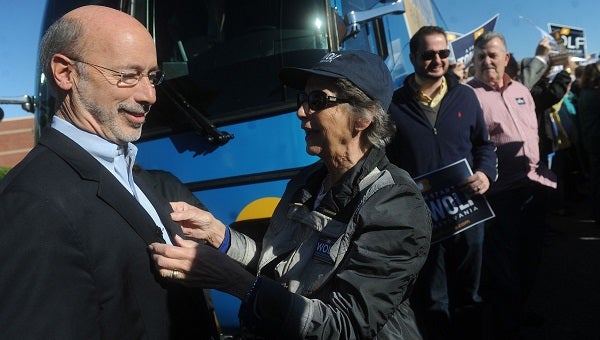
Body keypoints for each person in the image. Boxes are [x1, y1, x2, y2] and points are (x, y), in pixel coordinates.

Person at [149, 50, 433, 339]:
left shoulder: (395, 203)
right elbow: (279, 264)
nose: (300, 112)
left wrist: (234, 282)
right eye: (303, 99)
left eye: (317, 101)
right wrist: (218, 235)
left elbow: (344, 326)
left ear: (364, 117)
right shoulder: (306, 181)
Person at [0, 6, 217, 339]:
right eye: (127, 75)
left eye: (152, 76)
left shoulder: (134, 173)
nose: (149, 96)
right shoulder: (31, 204)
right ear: (65, 73)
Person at [386, 26, 497, 340]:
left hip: (468, 216)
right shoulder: (394, 105)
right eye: (428, 54)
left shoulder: (467, 96)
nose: (437, 60)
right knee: (433, 298)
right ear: (413, 58)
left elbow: (484, 146)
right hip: (424, 221)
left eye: (443, 53)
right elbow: (386, 161)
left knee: (470, 294)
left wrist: (486, 174)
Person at [467, 31, 557, 339]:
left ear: (506, 59)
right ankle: (506, 322)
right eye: (481, 56)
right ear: (473, 61)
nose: (487, 60)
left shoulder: (522, 90)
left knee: (529, 257)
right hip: (499, 193)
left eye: (493, 55)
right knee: (502, 263)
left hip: (535, 186)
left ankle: (518, 309)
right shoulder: (468, 95)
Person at [577, 62, 600, 224]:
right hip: (597, 141)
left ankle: (594, 211)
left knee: (596, 178)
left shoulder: (584, 94)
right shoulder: (595, 95)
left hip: (590, 141)